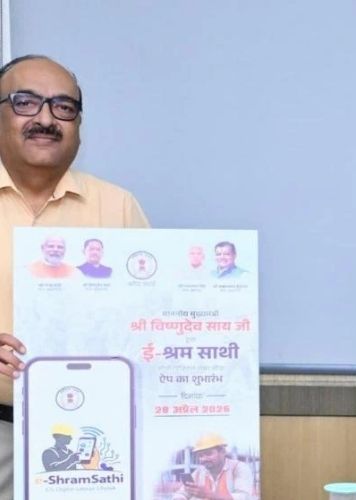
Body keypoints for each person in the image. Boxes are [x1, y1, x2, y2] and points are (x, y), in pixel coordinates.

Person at [0, 54, 150, 500]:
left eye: (64, 107)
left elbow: (151, 317)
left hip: (94, 436)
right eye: (26, 102)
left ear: (79, 125)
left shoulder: (118, 207)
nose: (46, 119)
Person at [172, 433, 253, 500]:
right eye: (200, 455)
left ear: (223, 452)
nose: (204, 459)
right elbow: (182, 492)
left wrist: (209, 494)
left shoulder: (239, 468)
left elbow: (243, 497)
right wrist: (180, 497)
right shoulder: (199, 472)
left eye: (208, 454)